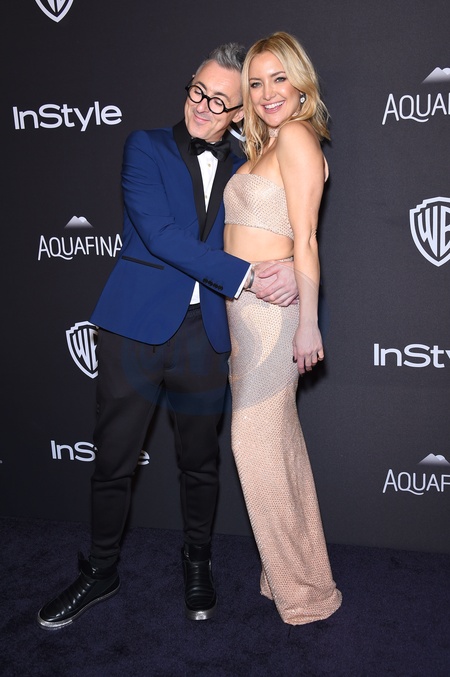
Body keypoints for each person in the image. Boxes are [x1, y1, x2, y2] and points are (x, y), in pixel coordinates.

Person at [37, 43, 298, 629]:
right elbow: (158, 235)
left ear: (240, 111)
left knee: (200, 462)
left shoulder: (247, 164)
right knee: (113, 460)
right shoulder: (145, 146)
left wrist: (292, 271)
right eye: (197, 91)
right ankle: (100, 571)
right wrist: (246, 275)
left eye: (220, 101)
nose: (202, 106)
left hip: (206, 333)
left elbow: (277, 224)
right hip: (135, 328)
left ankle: (197, 561)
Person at [223, 32, 342, 624]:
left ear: (301, 84)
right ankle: (290, 573)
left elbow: (308, 235)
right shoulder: (264, 143)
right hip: (244, 317)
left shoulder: (295, 135)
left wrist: (308, 324)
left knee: (253, 439)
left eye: (279, 78)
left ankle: (306, 592)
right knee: (278, 445)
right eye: (256, 82)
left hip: (274, 317)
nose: (268, 92)